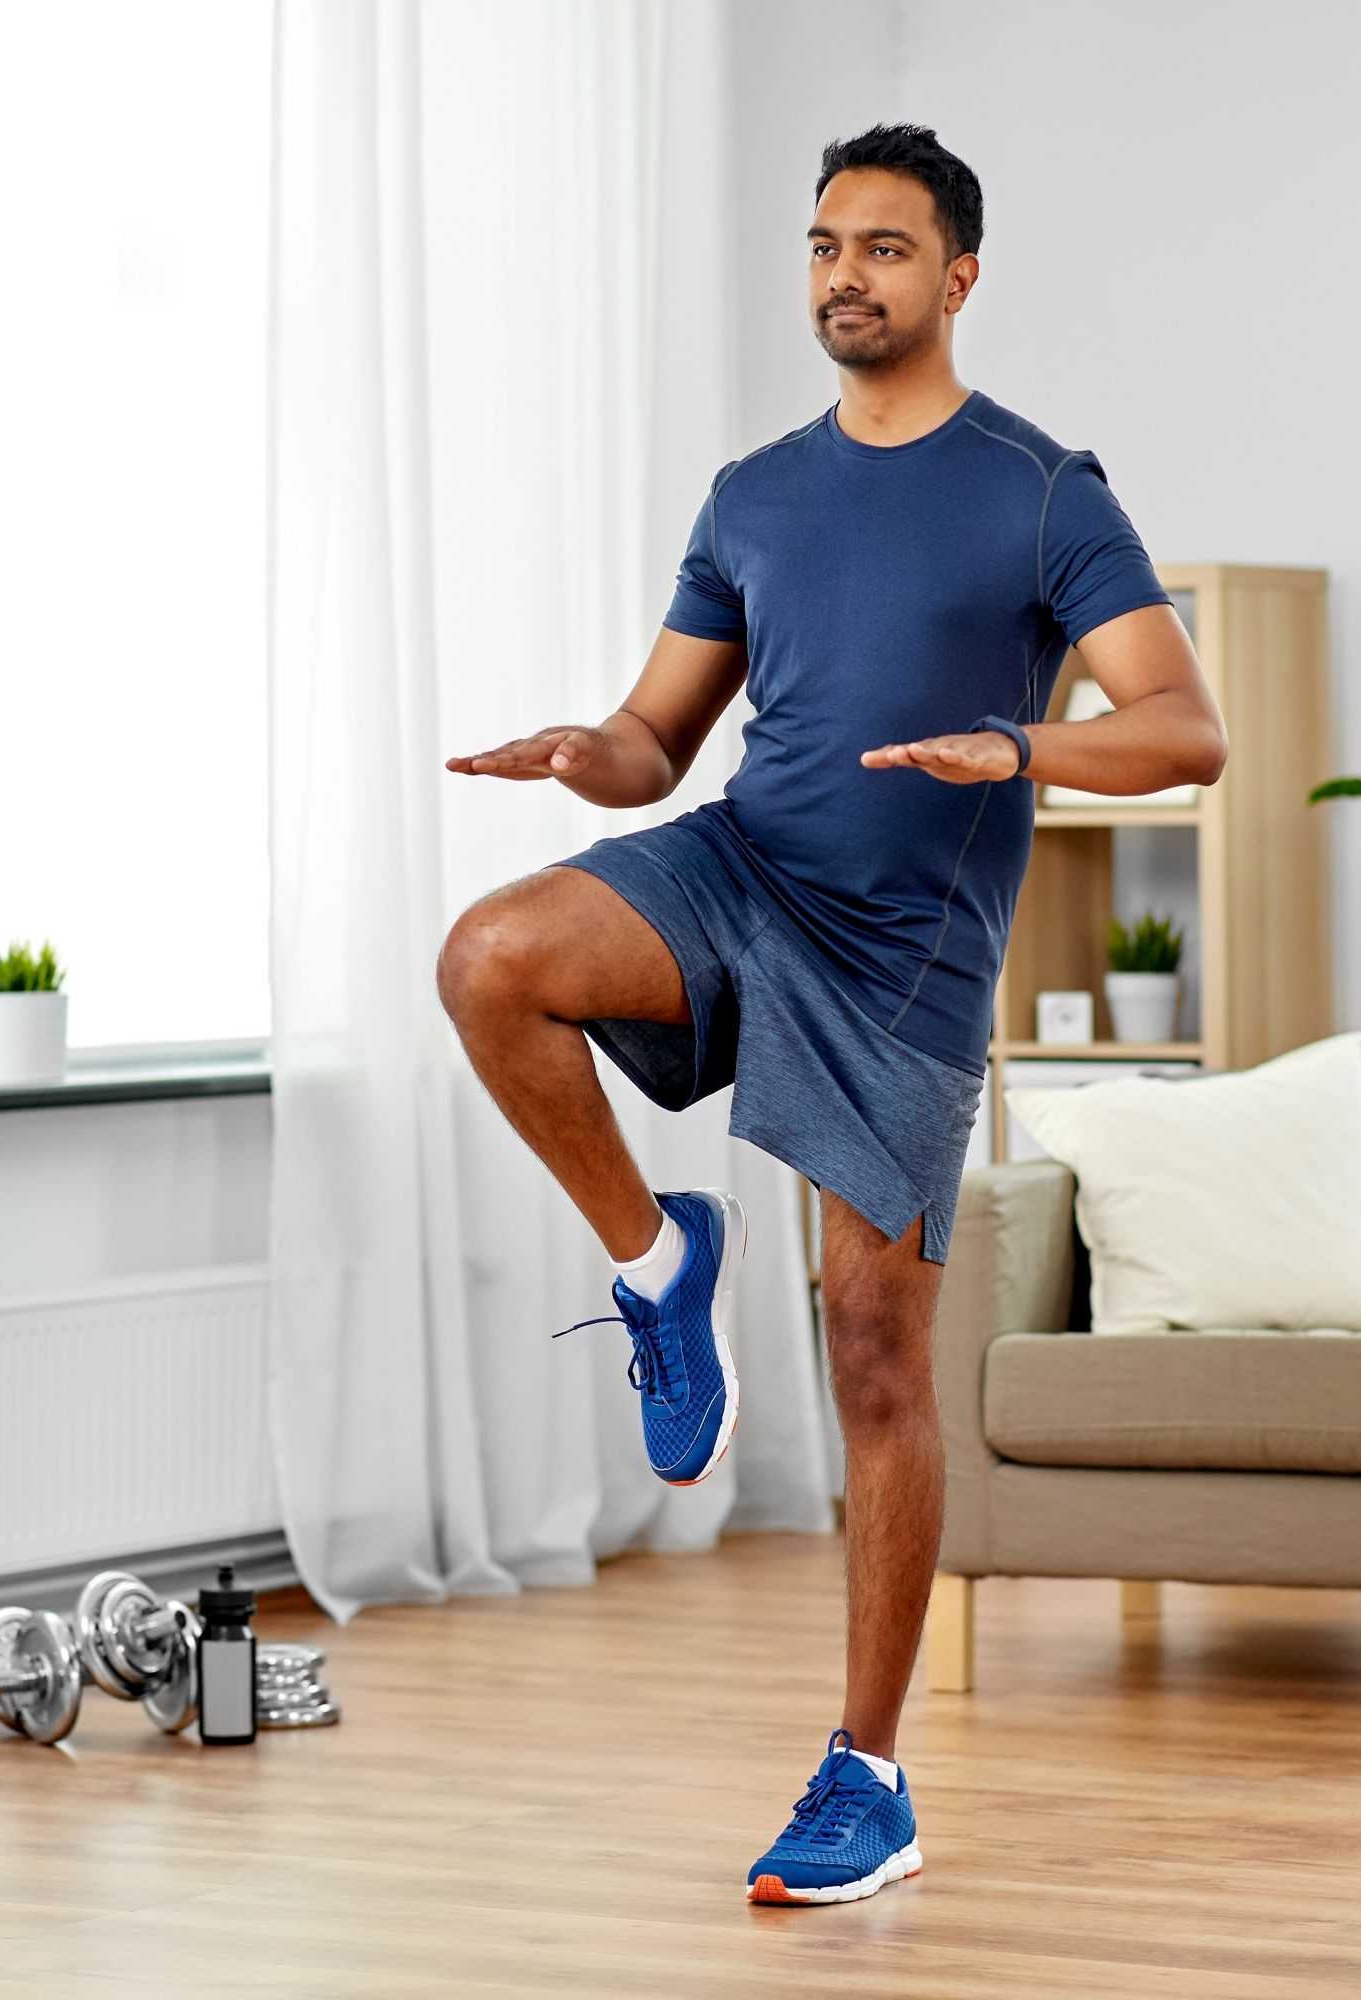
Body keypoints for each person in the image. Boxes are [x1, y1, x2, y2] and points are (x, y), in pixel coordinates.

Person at [434, 122, 1226, 1906]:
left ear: (957, 276)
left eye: (881, 248)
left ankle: (870, 1774)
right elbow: (662, 737)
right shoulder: (753, 493)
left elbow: (1186, 731)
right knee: (492, 960)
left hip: (901, 970)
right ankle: (658, 1267)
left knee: (877, 1362)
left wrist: (1021, 743)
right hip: (740, 876)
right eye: (819, 248)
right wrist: (594, 750)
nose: (842, 278)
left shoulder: (1043, 492)